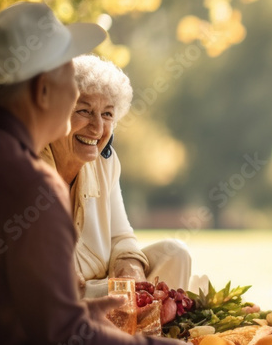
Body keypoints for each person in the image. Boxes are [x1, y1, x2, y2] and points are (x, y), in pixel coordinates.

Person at [0, 3, 210, 345]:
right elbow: (63, 342)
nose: (75, 90)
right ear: (43, 91)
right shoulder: (31, 184)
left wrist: (80, 313)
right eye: (68, 76)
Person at [40, 54, 191, 297]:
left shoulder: (106, 163)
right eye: (84, 111)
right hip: (54, 297)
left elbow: (120, 236)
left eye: (107, 114)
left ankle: (144, 310)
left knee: (176, 253)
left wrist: (130, 267)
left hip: (102, 289)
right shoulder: (26, 166)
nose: (98, 127)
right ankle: (144, 311)